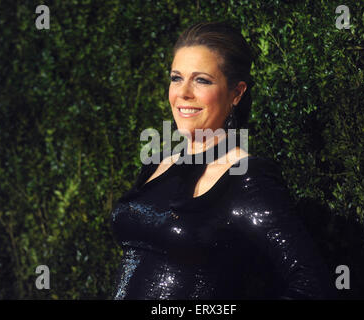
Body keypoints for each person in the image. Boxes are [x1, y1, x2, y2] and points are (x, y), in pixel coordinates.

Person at [110, 21, 335, 299]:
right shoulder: (156, 164)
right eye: (176, 78)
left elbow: (313, 287)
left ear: (236, 93)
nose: (183, 93)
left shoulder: (248, 178)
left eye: (201, 80)